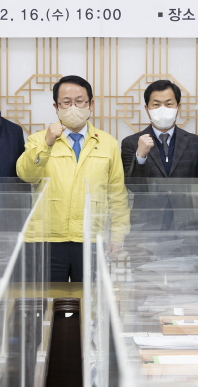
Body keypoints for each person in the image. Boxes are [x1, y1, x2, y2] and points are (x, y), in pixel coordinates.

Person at [16, 75, 129, 282]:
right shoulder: (38, 140)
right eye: (66, 102)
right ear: (56, 107)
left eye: (79, 101)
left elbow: (117, 195)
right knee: (47, 298)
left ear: (91, 104)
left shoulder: (108, 143)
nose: (73, 107)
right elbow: (27, 175)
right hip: (46, 238)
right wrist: (47, 144)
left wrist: (117, 236)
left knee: (90, 298)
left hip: (91, 237)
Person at [120, 79, 198, 258]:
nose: (162, 109)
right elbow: (133, 186)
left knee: (185, 277)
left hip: (186, 233)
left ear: (178, 107)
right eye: (156, 104)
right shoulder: (132, 143)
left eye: (168, 104)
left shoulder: (195, 143)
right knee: (144, 277)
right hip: (145, 234)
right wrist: (140, 156)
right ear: (147, 108)